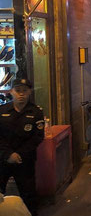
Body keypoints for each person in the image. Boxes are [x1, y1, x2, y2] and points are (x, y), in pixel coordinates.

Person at [0, 79, 44, 215]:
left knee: (29, 195)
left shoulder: (36, 112)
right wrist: (8, 155)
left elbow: (37, 137)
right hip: (3, 160)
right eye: (18, 90)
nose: (21, 94)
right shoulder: (2, 111)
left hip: (25, 161)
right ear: (11, 92)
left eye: (24, 91)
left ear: (29, 92)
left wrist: (18, 155)